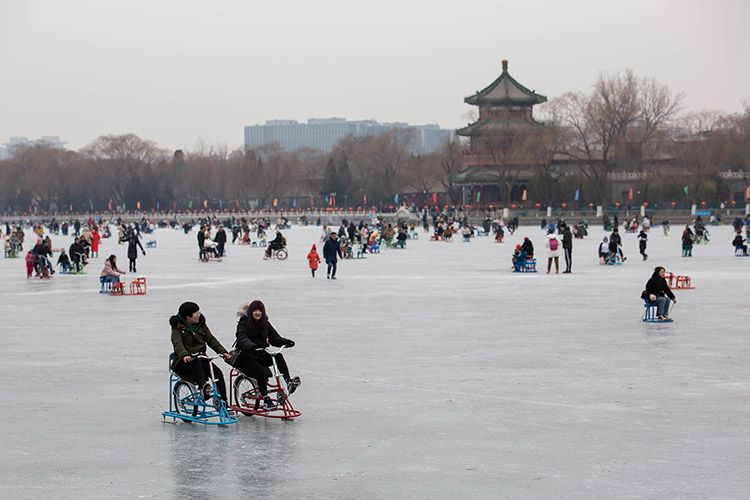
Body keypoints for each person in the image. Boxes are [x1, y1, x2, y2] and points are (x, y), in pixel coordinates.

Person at [233, 300, 300, 411]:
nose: (258, 313)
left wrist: (286, 342)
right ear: (251, 312)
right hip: (245, 355)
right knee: (260, 372)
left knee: (278, 356)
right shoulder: (243, 322)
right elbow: (241, 337)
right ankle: (266, 399)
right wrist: (251, 345)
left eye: (260, 311)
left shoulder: (265, 323)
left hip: (259, 353)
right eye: (255, 310)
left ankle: (288, 382)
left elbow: (274, 338)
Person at [170, 302, 232, 403]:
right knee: (195, 361)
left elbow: (211, 340)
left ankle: (223, 402)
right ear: (188, 315)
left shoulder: (201, 324)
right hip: (183, 362)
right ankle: (203, 387)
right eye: (196, 313)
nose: (199, 314)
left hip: (201, 358)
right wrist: (184, 354)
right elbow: (177, 343)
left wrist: (223, 352)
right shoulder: (177, 327)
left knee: (217, 374)